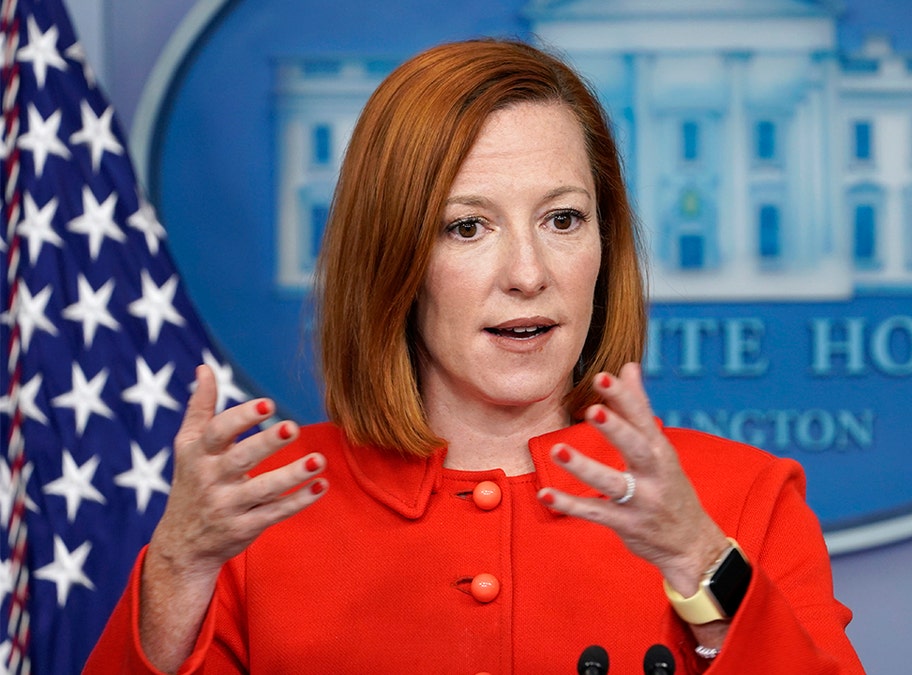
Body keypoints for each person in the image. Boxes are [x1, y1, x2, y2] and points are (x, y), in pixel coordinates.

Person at [86, 39, 865, 674]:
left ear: (607, 245)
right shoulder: (257, 515)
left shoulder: (743, 500)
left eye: (563, 218)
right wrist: (175, 576)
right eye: (467, 227)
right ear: (392, 258)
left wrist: (699, 560)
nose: (529, 273)